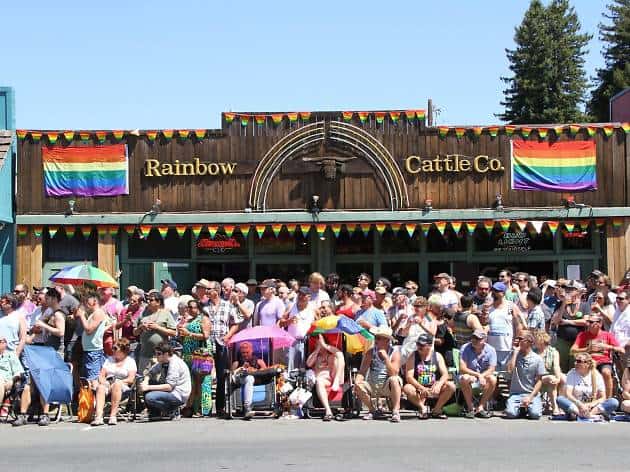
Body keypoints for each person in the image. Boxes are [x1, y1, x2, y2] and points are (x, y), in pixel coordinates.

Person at [203, 280, 238, 417]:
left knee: (221, 376)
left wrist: (228, 335)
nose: (206, 291)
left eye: (209, 289)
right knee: (204, 375)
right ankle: (203, 407)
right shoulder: (204, 307)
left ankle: (220, 407)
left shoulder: (227, 305)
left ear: (216, 291)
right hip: (206, 343)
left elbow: (235, 323)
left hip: (221, 343)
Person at [354, 326, 402, 423]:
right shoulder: (370, 352)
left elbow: (394, 373)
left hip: (387, 386)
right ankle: (372, 410)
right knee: (358, 385)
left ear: (387, 340)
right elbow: (362, 372)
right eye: (376, 337)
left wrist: (386, 358)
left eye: (379, 338)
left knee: (395, 379)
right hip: (372, 384)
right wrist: (357, 381)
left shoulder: (395, 353)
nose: (376, 340)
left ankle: (396, 411)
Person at [403, 333, 456, 419]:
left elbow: (445, 374)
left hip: (434, 387)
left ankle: (437, 410)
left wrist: (439, 385)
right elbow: (409, 377)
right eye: (418, 344)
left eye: (422, 345)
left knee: (451, 386)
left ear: (430, 345)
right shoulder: (413, 356)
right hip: (419, 388)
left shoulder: (437, 356)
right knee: (407, 388)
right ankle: (422, 408)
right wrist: (421, 387)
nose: (419, 346)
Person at [571, 313, 624, 399]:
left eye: (592, 322)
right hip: (588, 361)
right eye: (588, 322)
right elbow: (572, 350)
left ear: (599, 324)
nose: (589, 324)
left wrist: (607, 346)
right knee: (592, 368)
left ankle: (608, 400)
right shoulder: (582, 335)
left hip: (604, 361)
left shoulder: (607, 335)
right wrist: (587, 349)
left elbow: (622, 350)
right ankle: (592, 398)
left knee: (606, 372)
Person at [556, 353, 619, 421]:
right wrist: (579, 404)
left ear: (587, 364)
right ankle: (585, 415)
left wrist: (591, 405)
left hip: (592, 407)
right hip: (576, 406)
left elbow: (603, 397)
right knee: (560, 399)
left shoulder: (596, 375)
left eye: (579, 361)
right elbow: (568, 394)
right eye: (576, 361)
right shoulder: (572, 373)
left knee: (614, 402)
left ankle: (588, 415)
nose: (575, 363)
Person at [91, 338, 138, 426]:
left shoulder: (130, 361)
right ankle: (99, 417)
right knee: (100, 387)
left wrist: (119, 381)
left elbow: (131, 379)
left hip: (123, 384)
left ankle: (113, 416)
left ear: (123, 350)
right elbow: (101, 375)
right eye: (113, 348)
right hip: (108, 382)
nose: (113, 350)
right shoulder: (109, 360)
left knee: (117, 384)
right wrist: (103, 382)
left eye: (115, 348)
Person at [140, 342, 191, 420]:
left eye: (159, 354)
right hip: (170, 391)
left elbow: (169, 387)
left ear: (166, 354)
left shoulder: (174, 364)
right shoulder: (163, 361)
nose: (156, 356)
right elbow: (150, 372)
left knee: (150, 397)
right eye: (156, 353)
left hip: (178, 395)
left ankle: (173, 409)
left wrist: (148, 387)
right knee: (147, 382)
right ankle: (155, 413)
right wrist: (146, 381)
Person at [179, 299, 212, 417]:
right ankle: (191, 407)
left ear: (198, 308)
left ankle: (203, 409)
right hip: (188, 354)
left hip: (200, 354)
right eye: (188, 307)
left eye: (192, 307)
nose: (189, 309)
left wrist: (189, 334)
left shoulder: (204, 318)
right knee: (192, 382)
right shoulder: (189, 320)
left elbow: (205, 335)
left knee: (201, 381)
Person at [504, 331, 545, 419]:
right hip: (515, 394)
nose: (517, 341)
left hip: (531, 394)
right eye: (517, 338)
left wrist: (530, 397)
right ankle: (521, 409)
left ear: (529, 342)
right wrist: (515, 353)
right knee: (510, 414)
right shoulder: (513, 355)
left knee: (535, 415)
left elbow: (539, 381)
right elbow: (509, 371)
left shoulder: (537, 359)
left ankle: (527, 408)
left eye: (520, 339)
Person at [133, 292, 177, 375]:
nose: (148, 301)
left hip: (161, 355)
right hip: (145, 354)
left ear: (158, 302)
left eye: (151, 300)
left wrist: (157, 327)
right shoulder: (143, 313)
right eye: (148, 300)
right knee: (143, 378)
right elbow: (134, 332)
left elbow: (173, 333)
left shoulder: (165, 314)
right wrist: (141, 327)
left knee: (159, 379)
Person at [551, 280, 589, 372]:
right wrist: (564, 303)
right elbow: (556, 321)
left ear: (578, 291)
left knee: (576, 366)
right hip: (562, 340)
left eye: (572, 289)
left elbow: (586, 321)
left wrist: (567, 322)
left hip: (578, 341)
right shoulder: (560, 304)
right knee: (561, 366)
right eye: (567, 289)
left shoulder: (584, 305)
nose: (568, 291)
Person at [306, 334, 345, 421]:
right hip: (320, 380)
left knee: (338, 358)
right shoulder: (316, 357)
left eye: (319, 343)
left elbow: (340, 354)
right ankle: (328, 410)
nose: (318, 344)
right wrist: (317, 349)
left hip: (332, 378)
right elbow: (308, 363)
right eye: (316, 343)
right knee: (319, 381)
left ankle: (336, 380)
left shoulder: (331, 356)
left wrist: (324, 345)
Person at [458, 330, 497, 418]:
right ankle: (470, 408)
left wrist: (482, 376)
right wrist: (478, 375)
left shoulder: (491, 350)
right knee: (465, 378)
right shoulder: (465, 348)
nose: (474, 340)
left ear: (484, 340)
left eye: (478, 339)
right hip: (469, 374)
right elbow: (462, 368)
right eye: (473, 338)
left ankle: (480, 407)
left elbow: (492, 369)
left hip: (483, 376)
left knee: (493, 379)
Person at [486, 282, 524, 370]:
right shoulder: (488, 307)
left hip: (507, 347)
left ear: (503, 293)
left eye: (497, 291)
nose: (494, 292)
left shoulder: (511, 306)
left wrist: (517, 340)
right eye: (493, 290)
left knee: (508, 376)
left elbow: (518, 325)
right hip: (491, 348)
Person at [74, 293, 107, 388]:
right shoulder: (93, 313)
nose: (85, 303)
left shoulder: (98, 313)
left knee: (93, 380)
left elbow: (89, 330)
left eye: (87, 301)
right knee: (89, 378)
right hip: (89, 350)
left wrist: (82, 316)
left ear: (95, 301)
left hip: (94, 351)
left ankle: (96, 401)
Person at [279, 287, 315, 371]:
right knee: (290, 369)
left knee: (304, 368)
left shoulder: (313, 308)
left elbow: (319, 323)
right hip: (292, 342)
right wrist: (289, 321)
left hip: (306, 342)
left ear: (309, 297)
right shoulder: (291, 306)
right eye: (299, 294)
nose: (300, 297)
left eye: (303, 295)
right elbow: (281, 322)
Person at [230, 341, 267, 420]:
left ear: (252, 351)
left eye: (247, 352)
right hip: (240, 381)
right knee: (249, 378)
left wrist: (255, 371)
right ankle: (247, 408)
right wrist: (241, 369)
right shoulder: (236, 363)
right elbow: (231, 377)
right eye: (243, 352)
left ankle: (248, 408)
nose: (245, 354)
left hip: (256, 381)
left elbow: (266, 373)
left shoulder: (259, 362)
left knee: (250, 378)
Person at [30, 288, 65, 358]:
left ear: (54, 299)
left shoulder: (58, 314)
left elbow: (61, 332)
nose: (45, 301)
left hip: (56, 350)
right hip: (50, 348)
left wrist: (44, 325)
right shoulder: (52, 313)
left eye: (47, 299)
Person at [534, 330, 563, 415]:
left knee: (560, 379)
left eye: (536, 340)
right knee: (551, 378)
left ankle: (560, 405)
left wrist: (558, 378)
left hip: (548, 376)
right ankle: (555, 407)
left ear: (541, 341)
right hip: (535, 377)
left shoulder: (553, 352)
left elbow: (556, 366)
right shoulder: (533, 352)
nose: (534, 342)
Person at [0, 336, 24, 418]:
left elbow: (18, 372)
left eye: (1, 341)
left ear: (5, 344)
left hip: (6, 381)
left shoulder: (11, 355)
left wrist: (12, 380)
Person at [610, 290, 630, 367]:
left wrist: (626, 346)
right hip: (616, 349)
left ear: (628, 300)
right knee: (620, 376)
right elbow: (613, 328)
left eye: (621, 298)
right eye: (617, 298)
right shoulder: (617, 311)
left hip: (627, 350)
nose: (618, 300)